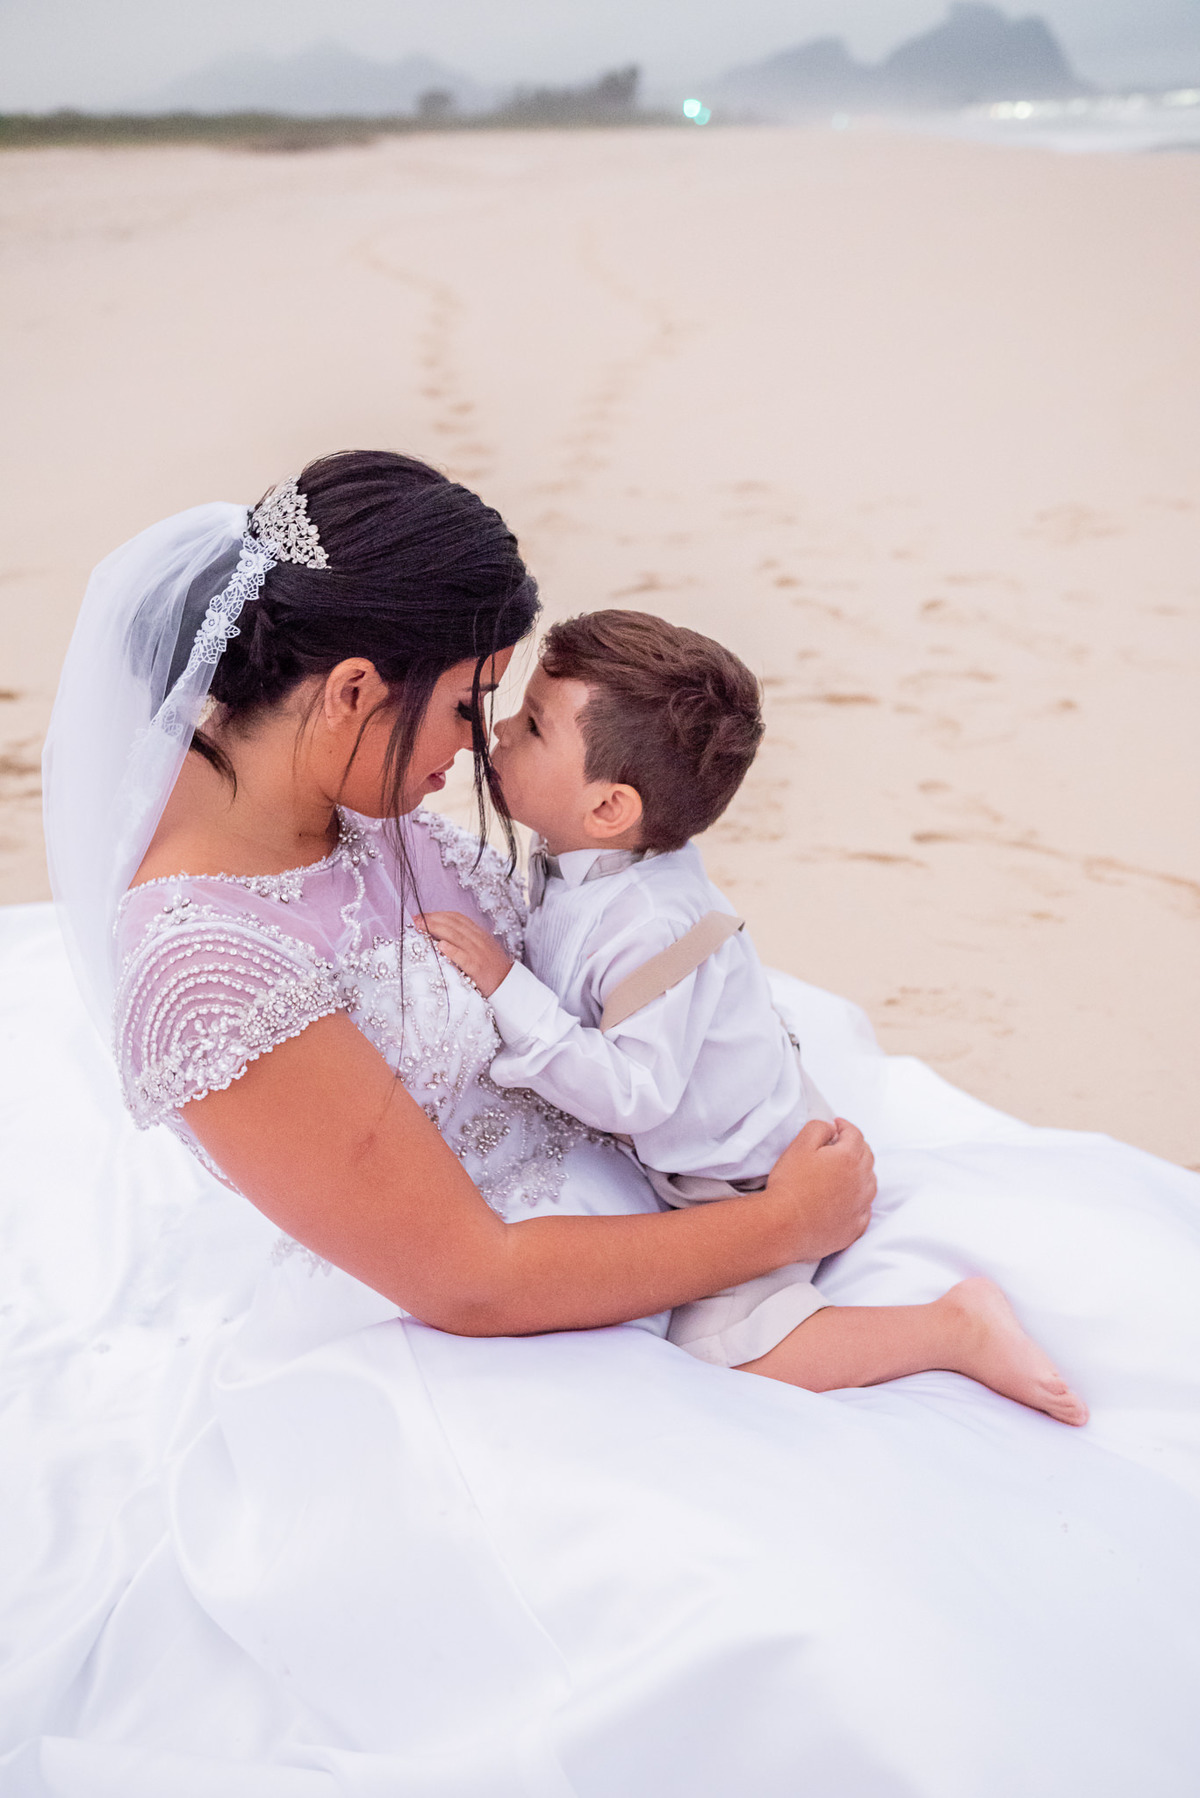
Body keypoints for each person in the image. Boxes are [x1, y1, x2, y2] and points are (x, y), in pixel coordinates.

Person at [11, 446, 1200, 1794]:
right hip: (479, 1345)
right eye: (468, 706)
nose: (475, 750)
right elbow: (470, 1280)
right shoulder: (212, 967)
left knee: (1110, 1308)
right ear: (350, 691)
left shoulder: (352, 800)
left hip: (646, 1177)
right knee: (830, 1625)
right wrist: (781, 1222)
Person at [421, 610, 1087, 1422]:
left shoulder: (652, 924)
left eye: (533, 726)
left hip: (738, 1181)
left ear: (610, 808)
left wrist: (505, 987)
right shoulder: (587, 859)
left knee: (724, 1355)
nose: (499, 731)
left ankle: (951, 1330)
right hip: (707, 1139)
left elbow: (635, 1094)